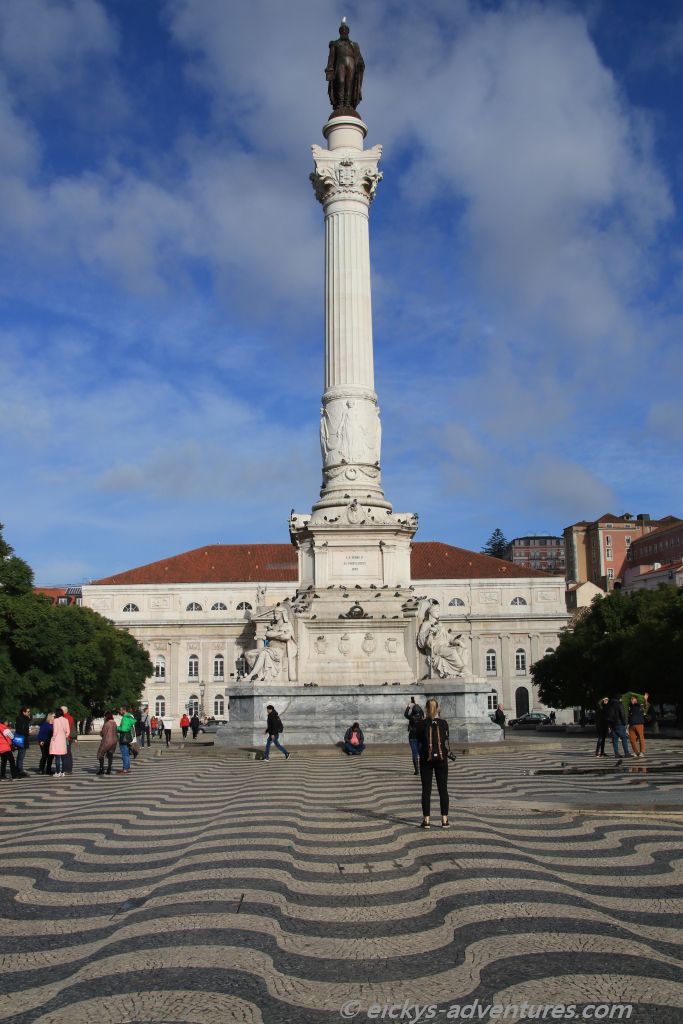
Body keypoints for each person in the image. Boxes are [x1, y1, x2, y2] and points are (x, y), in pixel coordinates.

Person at [416, 698, 451, 829]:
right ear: (438, 709)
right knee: (443, 790)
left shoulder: (421, 724)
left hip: (426, 759)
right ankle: (445, 820)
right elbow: (446, 739)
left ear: (426, 709)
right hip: (442, 759)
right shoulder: (444, 723)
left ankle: (426, 820)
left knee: (426, 790)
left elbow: (418, 741)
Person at [325, 19, 364, 111]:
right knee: (341, 81)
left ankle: (348, 104)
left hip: (351, 62)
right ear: (340, 32)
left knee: (349, 83)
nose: (344, 32)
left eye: (345, 31)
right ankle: (340, 103)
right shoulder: (335, 44)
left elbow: (359, 57)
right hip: (340, 62)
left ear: (348, 32)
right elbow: (331, 57)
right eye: (342, 31)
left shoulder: (354, 45)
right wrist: (329, 68)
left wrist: (360, 64)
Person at [404, 698, 424, 774]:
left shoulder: (411, 717)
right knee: (421, 753)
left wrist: (409, 706)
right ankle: (422, 768)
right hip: (420, 737)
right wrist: (416, 704)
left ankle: (416, 770)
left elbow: (405, 714)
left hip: (412, 737)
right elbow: (421, 712)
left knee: (414, 753)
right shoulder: (422, 717)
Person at [49, 707, 70, 777]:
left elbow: (55, 731)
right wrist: (65, 736)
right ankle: (63, 772)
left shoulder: (56, 720)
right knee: (63, 758)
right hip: (63, 740)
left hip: (57, 740)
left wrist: (53, 738)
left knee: (57, 758)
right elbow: (68, 731)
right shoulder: (65, 720)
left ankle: (57, 772)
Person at [116, 706, 137, 774]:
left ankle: (125, 769)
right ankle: (127, 768)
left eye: (120, 710)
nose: (120, 711)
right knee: (127, 754)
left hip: (123, 737)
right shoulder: (129, 717)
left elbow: (124, 729)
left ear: (124, 710)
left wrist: (117, 728)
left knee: (124, 754)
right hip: (128, 737)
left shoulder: (125, 718)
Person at [14, 705, 31, 777]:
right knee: (21, 755)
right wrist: (27, 732)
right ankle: (19, 770)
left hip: (23, 738)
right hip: (22, 739)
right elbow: (20, 730)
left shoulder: (25, 718)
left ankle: (18, 769)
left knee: (21, 755)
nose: (29, 713)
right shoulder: (21, 719)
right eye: (28, 711)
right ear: (23, 712)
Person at [61, 705, 76, 774]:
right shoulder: (70, 717)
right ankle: (69, 769)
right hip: (69, 738)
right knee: (68, 753)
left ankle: (66, 769)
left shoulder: (64, 718)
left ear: (63, 711)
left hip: (65, 738)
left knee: (65, 754)